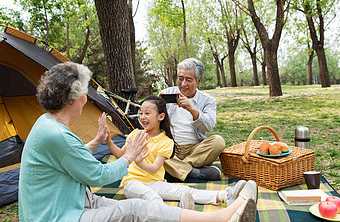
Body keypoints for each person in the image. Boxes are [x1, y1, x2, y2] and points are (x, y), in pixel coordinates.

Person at [18, 62, 257, 222]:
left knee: (139, 204)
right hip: (57, 215)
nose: (86, 98)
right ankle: (220, 218)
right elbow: (96, 175)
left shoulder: (47, 124)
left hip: (71, 201)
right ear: (75, 97)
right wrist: (130, 156)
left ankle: (215, 211)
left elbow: (69, 157)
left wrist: (96, 141)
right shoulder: (56, 133)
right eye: (85, 92)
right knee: (136, 208)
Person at [106, 95, 257, 209]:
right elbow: (120, 154)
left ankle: (225, 195)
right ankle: (177, 215)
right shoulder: (135, 134)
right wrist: (108, 141)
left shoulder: (166, 141)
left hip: (155, 182)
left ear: (161, 117)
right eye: (141, 114)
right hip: (131, 183)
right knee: (153, 198)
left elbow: (154, 169)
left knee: (185, 191)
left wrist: (140, 162)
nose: (142, 117)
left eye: (147, 113)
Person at [159, 58, 225, 181]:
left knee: (218, 142)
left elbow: (209, 126)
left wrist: (192, 109)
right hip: (169, 148)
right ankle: (192, 172)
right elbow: (150, 123)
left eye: (188, 79)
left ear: (198, 81)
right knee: (150, 148)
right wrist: (155, 108)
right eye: (180, 78)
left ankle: (175, 170)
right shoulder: (166, 94)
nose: (183, 84)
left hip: (195, 149)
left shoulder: (208, 100)